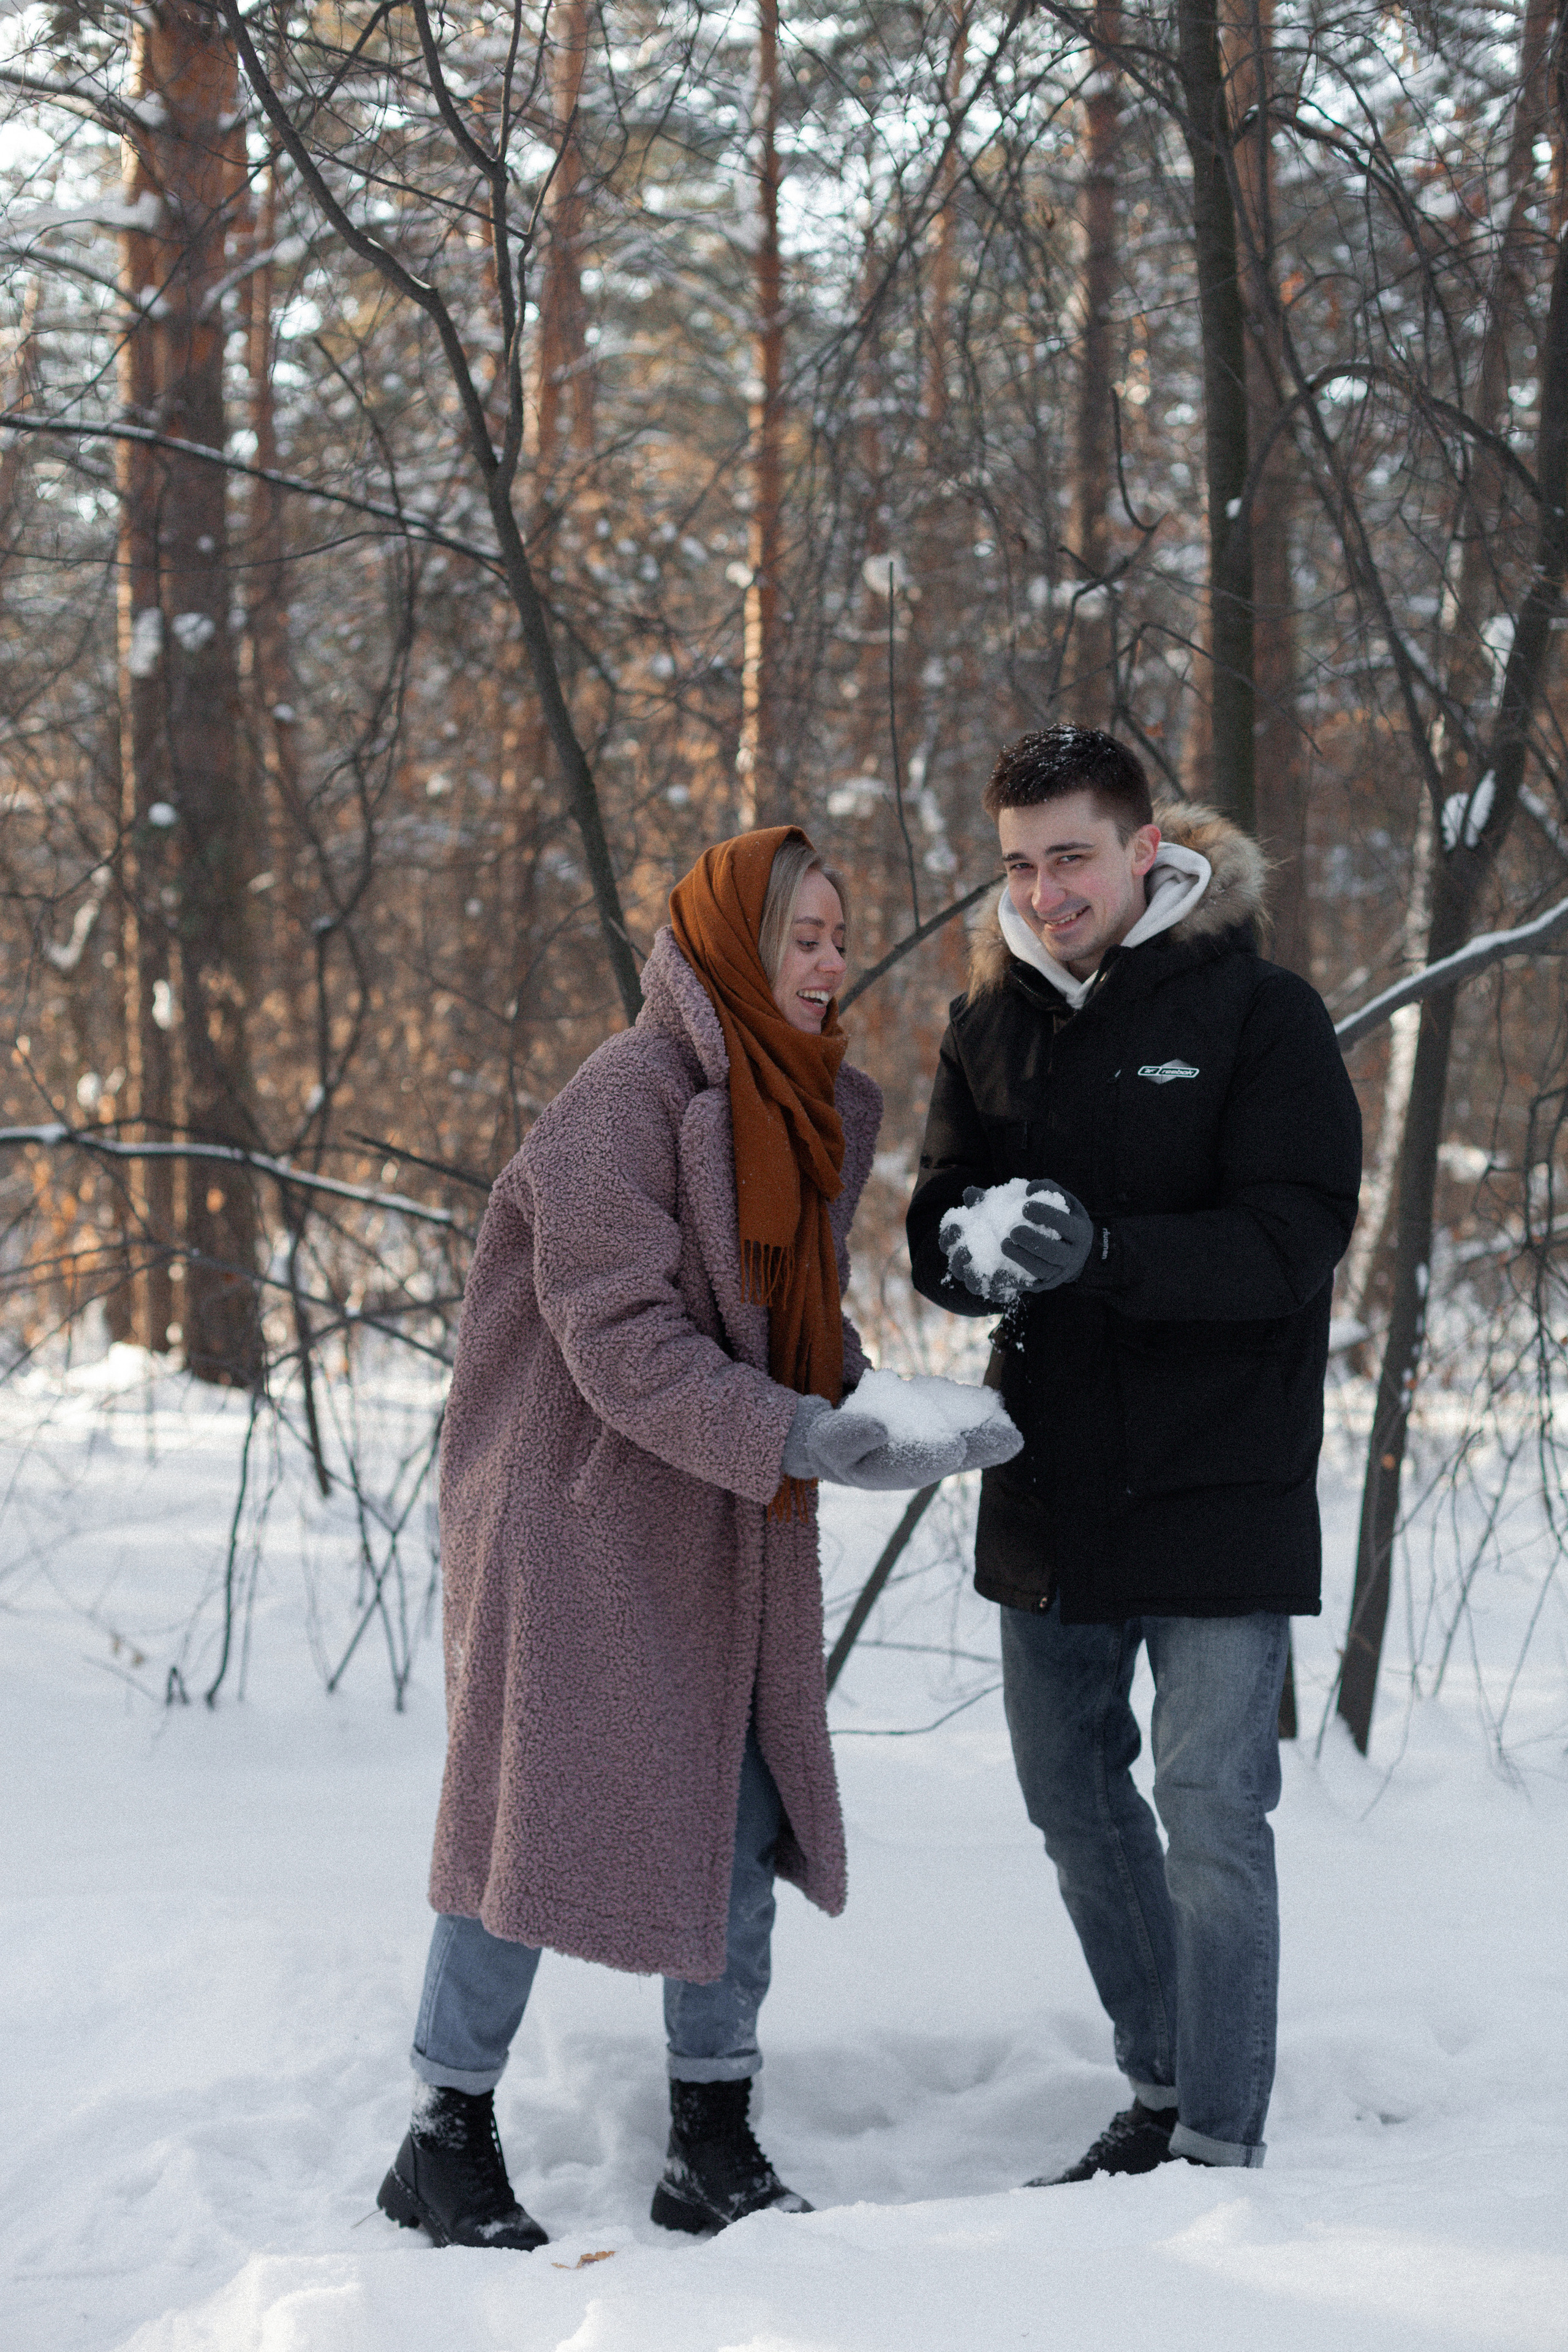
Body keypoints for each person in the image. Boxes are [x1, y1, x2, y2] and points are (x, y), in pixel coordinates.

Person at [379, 826, 1020, 2250]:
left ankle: (710, 2143)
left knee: (740, 1808)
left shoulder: (794, 1102)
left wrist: (885, 1414)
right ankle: (441, 2132)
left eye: (839, 936)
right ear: (733, 945)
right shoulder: (620, 1102)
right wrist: (792, 1432)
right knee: (530, 1815)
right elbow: (619, 1337)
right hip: (571, 1514)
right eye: (802, 936)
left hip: (719, 1512)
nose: (830, 962)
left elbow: (783, 1326)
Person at [907, 726, 1361, 2179]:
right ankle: (1159, 2081)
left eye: (1071, 858)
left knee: (1212, 1816)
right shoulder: (988, 1023)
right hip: (1048, 1486)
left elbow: (1290, 1239)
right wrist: (968, 1253)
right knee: (1068, 1800)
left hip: (1218, 1485)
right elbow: (934, 1213)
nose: (1043, 893)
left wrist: (1104, 1253)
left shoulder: (1258, 1012)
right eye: (1018, 865)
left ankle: (1215, 2139)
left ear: (1144, 850)